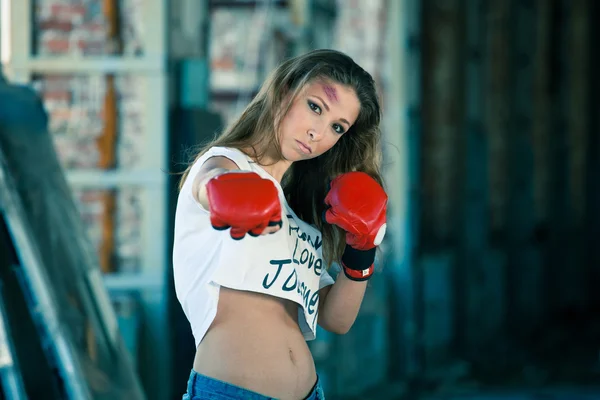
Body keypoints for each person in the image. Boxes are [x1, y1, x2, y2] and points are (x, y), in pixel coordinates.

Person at [173, 48, 388, 400]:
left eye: (337, 127)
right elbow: (207, 182)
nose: (319, 132)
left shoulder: (294, 216)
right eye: (315, 107)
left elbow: (337, 319)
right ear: (286, 90)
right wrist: (223, 194)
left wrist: (361, 250)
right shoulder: (226, 166)